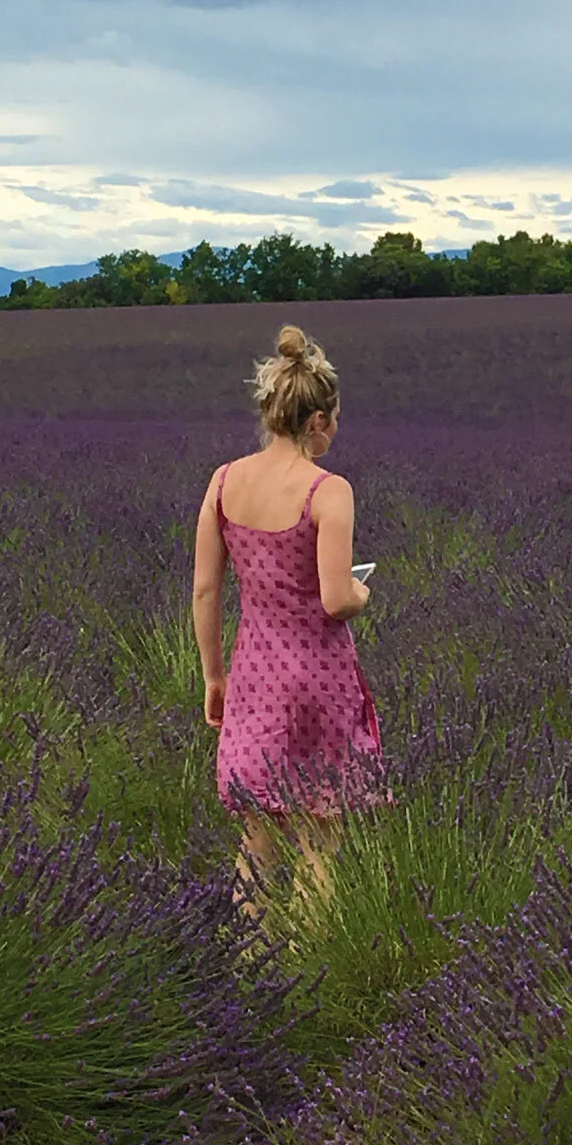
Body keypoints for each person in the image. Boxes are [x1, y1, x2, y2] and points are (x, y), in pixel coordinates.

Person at [191, 323, 385, 920]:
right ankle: (309, 968)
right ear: (318, 420)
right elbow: (333, 600)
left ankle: (248, 971)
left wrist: (214, 678)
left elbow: (205, 589)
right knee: (320, 840)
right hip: (319, 680)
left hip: (254, 676)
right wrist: (361, 592)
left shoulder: (224, 483)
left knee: (257, 841)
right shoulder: (329, 492)